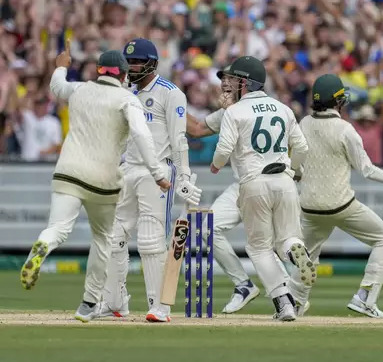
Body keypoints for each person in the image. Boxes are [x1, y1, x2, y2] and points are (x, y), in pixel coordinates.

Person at [20, 41, 170, 323]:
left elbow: (57, 87)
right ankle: (88, 304)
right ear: (123, 75)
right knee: (103, 240)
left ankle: (43, 244)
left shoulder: (79, 89)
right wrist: (159, 174)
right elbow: (142, 136)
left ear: (99, 70)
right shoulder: (128, 99)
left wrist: (61, 66)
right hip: (103, 180)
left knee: (57, 229)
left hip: (68, 172)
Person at [287, 74, 383, 319]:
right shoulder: (345, 129)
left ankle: (295, 303)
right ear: (337, 100)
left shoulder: (304, 123)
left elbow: (296, 163)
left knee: (308, 256)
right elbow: (367, 169)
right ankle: (365, 297)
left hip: (308, 207)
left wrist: (297, 176)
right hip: (341, 205)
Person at [97, 38, 201, 323]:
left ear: (152, 63)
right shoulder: (125, 92)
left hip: (157, 173)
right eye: (128, 62)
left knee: (150, 238)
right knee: (115, 237)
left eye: (137, 62)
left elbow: (180, 138)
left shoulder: (171, 93)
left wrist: (185, 176)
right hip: (127, 170)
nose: (131, 67)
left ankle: (160, 306)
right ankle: (115, 303)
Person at [210, 55, 313, 322]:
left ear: (246, 82)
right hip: (284, 180)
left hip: (254, 182)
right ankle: (294, 252)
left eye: (233, 79)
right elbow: (302, 148)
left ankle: (284, 303)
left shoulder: (234, 112)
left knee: (259, 248)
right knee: (288, 238)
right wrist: (294, 170)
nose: (228, 83)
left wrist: (216, 165)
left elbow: (223, 150)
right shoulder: (283, 108)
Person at [186, 81, 261, 314]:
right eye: (223, 82)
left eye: (230, 81)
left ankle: (290, 295)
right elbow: (197, 129)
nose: (223, 87)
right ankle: (244, 284)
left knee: (267, 244)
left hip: (266, 184)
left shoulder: (266, 107)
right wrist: (172, 105)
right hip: (242, 185)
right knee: (207, 227)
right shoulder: (227, 112)